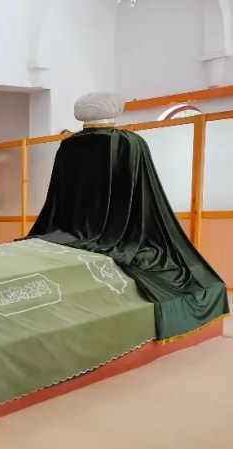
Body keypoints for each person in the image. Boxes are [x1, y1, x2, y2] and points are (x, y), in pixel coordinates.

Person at [27, 92, 229, 340]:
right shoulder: (129, 143)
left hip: (68, 229)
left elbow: (62, 196)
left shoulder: (68, 146)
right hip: (120, 230)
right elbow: (142, 192)